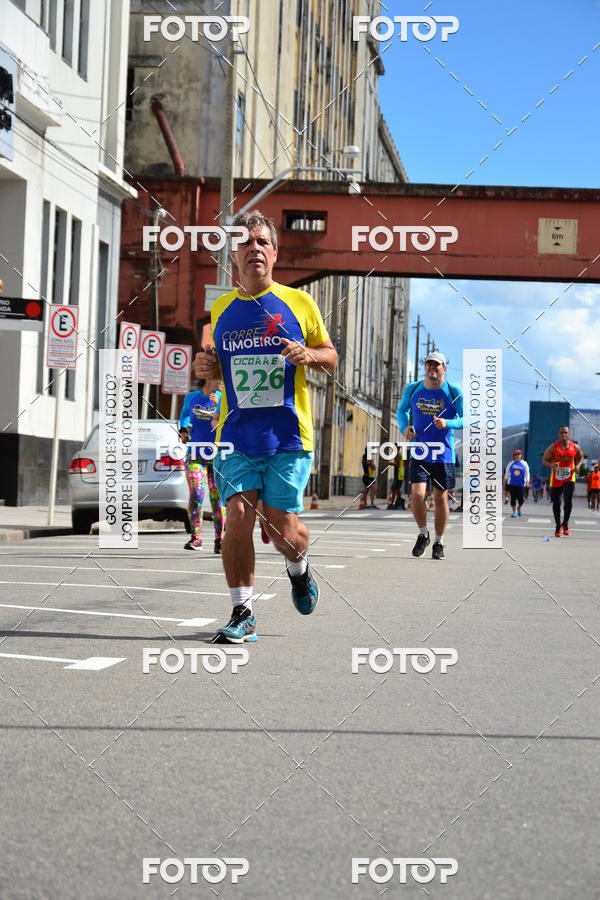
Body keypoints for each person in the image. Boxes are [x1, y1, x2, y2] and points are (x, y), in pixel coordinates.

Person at [193, 210, 337, 643]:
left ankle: (299, 568)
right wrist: (206, 366)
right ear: (234, 255)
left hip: (288, 438)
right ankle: (243, 612)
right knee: (236, 515)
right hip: (235, 436)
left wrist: (309, 355)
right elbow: (213, 371)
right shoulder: (221, 310)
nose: (254, 248)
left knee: (280, 530)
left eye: (262, 242)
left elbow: (331, 356)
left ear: (275, 253)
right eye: (246, 243)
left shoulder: (298, 303)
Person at [396, 351, 463, 560]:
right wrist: (404, 428)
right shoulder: (413, 388)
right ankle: (423, 533)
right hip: (420, 450)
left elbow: (467, 419)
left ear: (444, 368)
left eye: (437, 365)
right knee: (416, 494)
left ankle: (438, 542)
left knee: (440, 498)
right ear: (425, 367)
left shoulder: (453, 391)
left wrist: (448, 423)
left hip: (443, 453)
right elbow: (401, 411)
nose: (432, 368)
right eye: (429, 364)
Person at [179, 379, 226, 552]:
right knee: (197, 492)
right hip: (195, 453)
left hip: (217, 453)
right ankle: (196, 538)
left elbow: (230, 422)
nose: (222, 381)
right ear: (209, 378)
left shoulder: (223, 398)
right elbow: (184, 415)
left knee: (217, 498)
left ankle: (219, 539)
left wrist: (219, 406)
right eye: (218, 377)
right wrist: (183, 430)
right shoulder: (191, 397)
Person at [541, 425, 583, 537]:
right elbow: (544, 460)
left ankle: (565, 524)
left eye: (566, 433)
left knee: (568, 502)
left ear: (569, 434)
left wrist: (578, 465)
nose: (563, 434)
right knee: (557, 503)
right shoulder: (553, 447)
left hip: (569, 477)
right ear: (558, 434)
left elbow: (581, 457)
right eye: (561, 433)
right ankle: (558, 526)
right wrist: (551, 465)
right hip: (556, 478)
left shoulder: (575, 447)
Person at [503, 449, 530, 518]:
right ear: (514, 456)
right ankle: (514, 512)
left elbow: (527, 473)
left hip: (521, 485)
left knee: (521, 500)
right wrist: (504, 482)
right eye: (515, 454)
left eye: (519, 454)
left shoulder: (524, 463)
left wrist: (527, 481)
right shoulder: (510, 463)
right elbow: (506, 474)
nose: (517, 456)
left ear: (521, 455)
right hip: (512, 484)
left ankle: (519, 508)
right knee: (513, 499)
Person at [388, 444, 405, 509]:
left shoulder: (397, 454)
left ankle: (397, 503)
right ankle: (395, 503)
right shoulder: (399, 454)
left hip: (398, 474)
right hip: (399, 474)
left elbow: (397, 464)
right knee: (394, 488)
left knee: (396, 489)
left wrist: (390, 463)